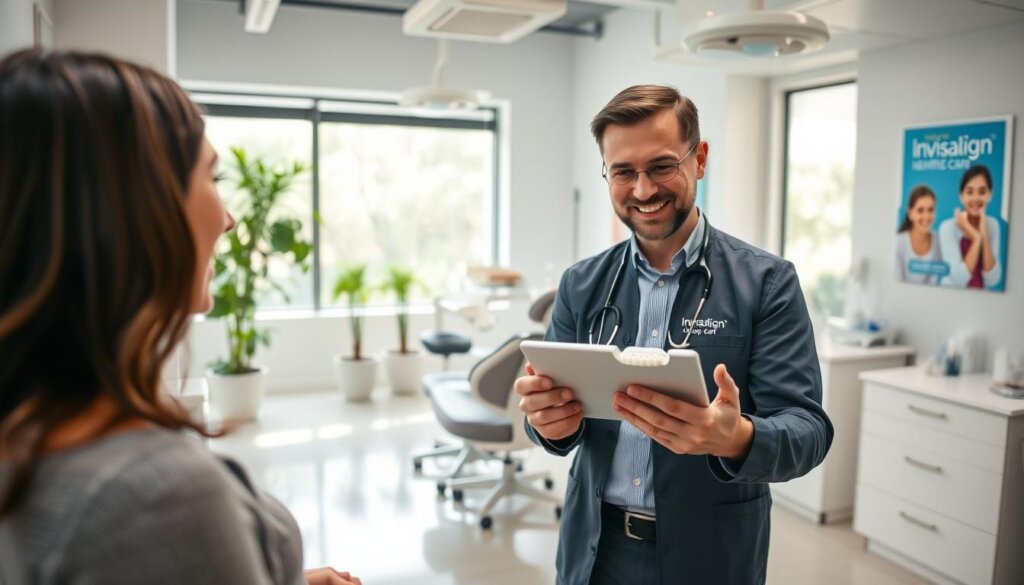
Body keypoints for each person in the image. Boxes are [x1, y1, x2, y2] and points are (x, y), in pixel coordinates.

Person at [0, 50, 359, 585]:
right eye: (211, 178)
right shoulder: (153, 498)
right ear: (134, 209)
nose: (230, 218)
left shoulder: (27, 431)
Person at [515, 85, 833, 585]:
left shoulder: (767, 283)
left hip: (709, 555)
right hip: (595, 551)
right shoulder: (581, 283)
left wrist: (737, 437)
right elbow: (556, 424)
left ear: (699, 158)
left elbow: (809, 431)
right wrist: (547, 423)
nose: (643, 190)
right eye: (623, 172)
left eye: (662, 166)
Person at [937, 164, 1003, 289]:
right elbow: (957, 279)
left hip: (980, 300)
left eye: (982, 192)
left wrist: (983, 231)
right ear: (961, 196)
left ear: (990, 194)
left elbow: (993, 279)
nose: (976, 198)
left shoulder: (992, 225)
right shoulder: (948, 227)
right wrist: (976, 238)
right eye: (969, 192)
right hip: (950, 297)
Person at [894, 184, 944, 284]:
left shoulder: (939, 241)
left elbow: (933, 282)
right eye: (920, 210)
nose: (926, 216)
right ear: (910, 214)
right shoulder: (898, 242)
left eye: (930, 210)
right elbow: (897, 282)